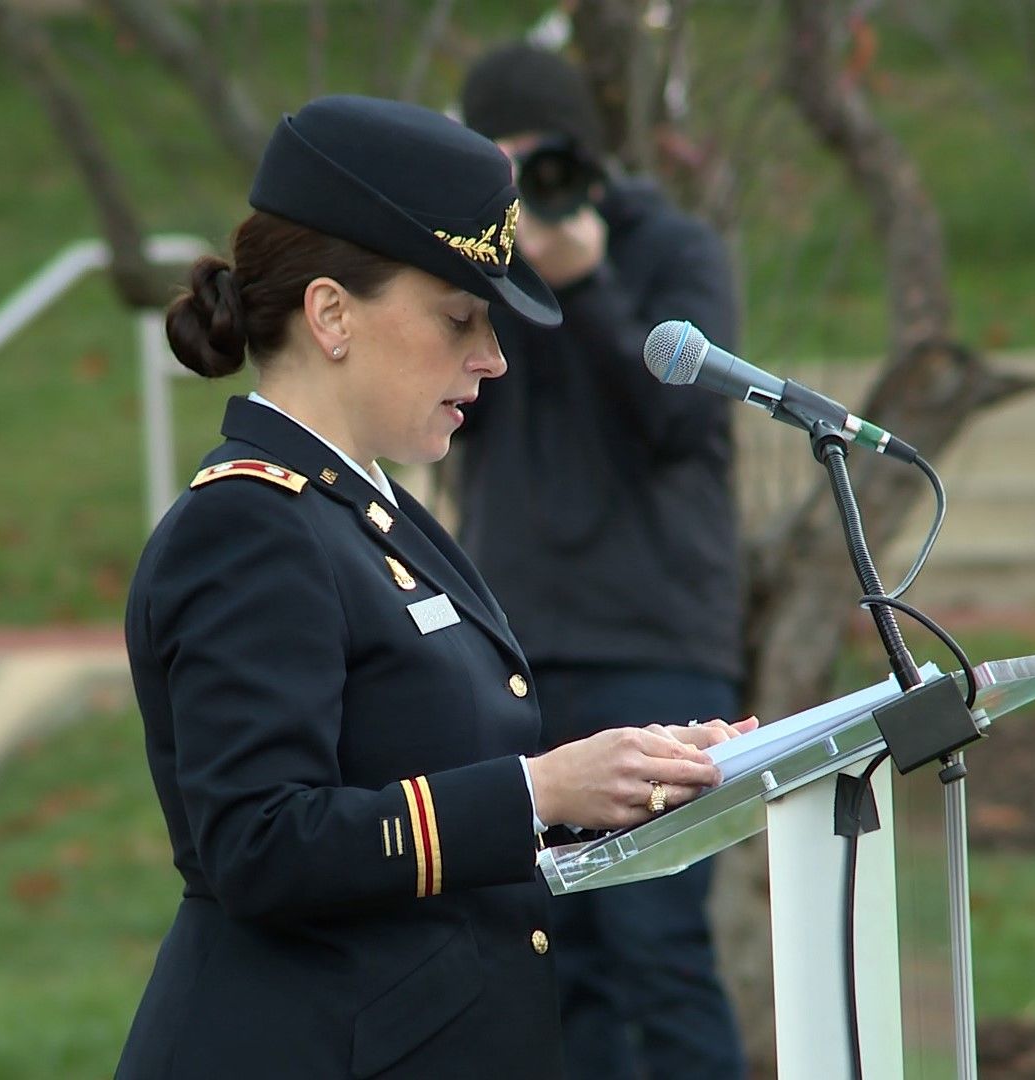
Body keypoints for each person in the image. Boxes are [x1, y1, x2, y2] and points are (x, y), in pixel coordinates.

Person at [116, 94, 753, 1080]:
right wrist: (539, 788)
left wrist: (625, 776)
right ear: (331, 314)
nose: (492, 359)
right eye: (459, 318)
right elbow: (259, 842)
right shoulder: (249, 526)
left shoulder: (368, 514)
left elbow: (430, 770)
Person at [454, 43, 748, 1080]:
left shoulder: (672, 251)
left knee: (657, 946)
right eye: (502, 159)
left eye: (546, 157)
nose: (530, 183)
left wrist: (589, 286)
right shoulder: (472, 268)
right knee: (550, 953)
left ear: (589, 152)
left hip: (654, 639)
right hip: (520, 645)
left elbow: (678, 426)